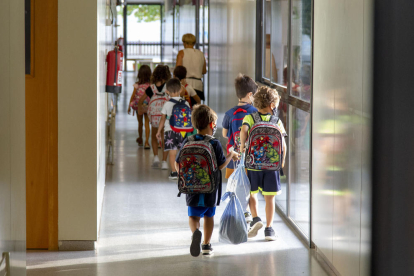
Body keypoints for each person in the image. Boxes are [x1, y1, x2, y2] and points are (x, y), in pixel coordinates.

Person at [175, 105, 239, 257]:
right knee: (209, 216)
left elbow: (177, 163)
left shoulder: (187, 140)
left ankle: (196, 232)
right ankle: (206, 245)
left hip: (191, 187)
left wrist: (183, 175)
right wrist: (231, 155)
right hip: (210, 188)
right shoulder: (214, 143)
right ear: (212, 125)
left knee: (193, 216)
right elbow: (221, 165)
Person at [239, 86, 287, 241]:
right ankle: (269, 229)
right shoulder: (276, 121)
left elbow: (243, 131)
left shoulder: (250, 118)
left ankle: (255, 218)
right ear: (272, 105)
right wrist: (282, 161)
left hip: (253, 163)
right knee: (270, 198)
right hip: (272, 165)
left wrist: (241, 146)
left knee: (252, 193)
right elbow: (283, 145)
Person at [221, 74, 258, 223]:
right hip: (250, 157)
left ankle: (238, 212)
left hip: (233, 157)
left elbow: (224, 134)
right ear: (250, 95)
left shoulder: (230, 113)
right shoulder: (255, 112)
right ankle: (248, 212)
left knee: (235, 184)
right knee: (249, 187)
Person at [156, 78, 190, 179]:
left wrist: (158, 131)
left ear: (167, 91)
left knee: (172, 152)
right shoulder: (186, 103)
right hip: (183, 131)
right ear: (180, 90)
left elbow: (162, 119)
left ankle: (174, 172)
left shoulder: (167, 104)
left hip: (170, 130)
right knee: (182, 152)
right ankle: (182, 171)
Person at [138, 65, 171, 169]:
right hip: (165, 116)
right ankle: (164, 162)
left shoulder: (151, 88)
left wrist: (140, 108)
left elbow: (141, 100)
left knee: (154, 136)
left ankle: (156, 156)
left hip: (155, 117)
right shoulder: (168, 87)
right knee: (165, 138)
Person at [176, 34, 207, 105]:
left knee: (184, 109)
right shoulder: (201, 54)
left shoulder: (181, 53)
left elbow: (178, 70)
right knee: (195, 110)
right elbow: (204, 71)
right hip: (198, 85)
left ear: (184, 42)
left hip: (185, 84)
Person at [128, 65, 152, 148]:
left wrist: (129, 106)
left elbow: (133, 96)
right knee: (147, 123)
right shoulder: (151, 85)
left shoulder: (137, 85)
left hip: (139, 106)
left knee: (140, 123)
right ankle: (147, 143)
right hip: (148, 106)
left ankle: (141, 139)